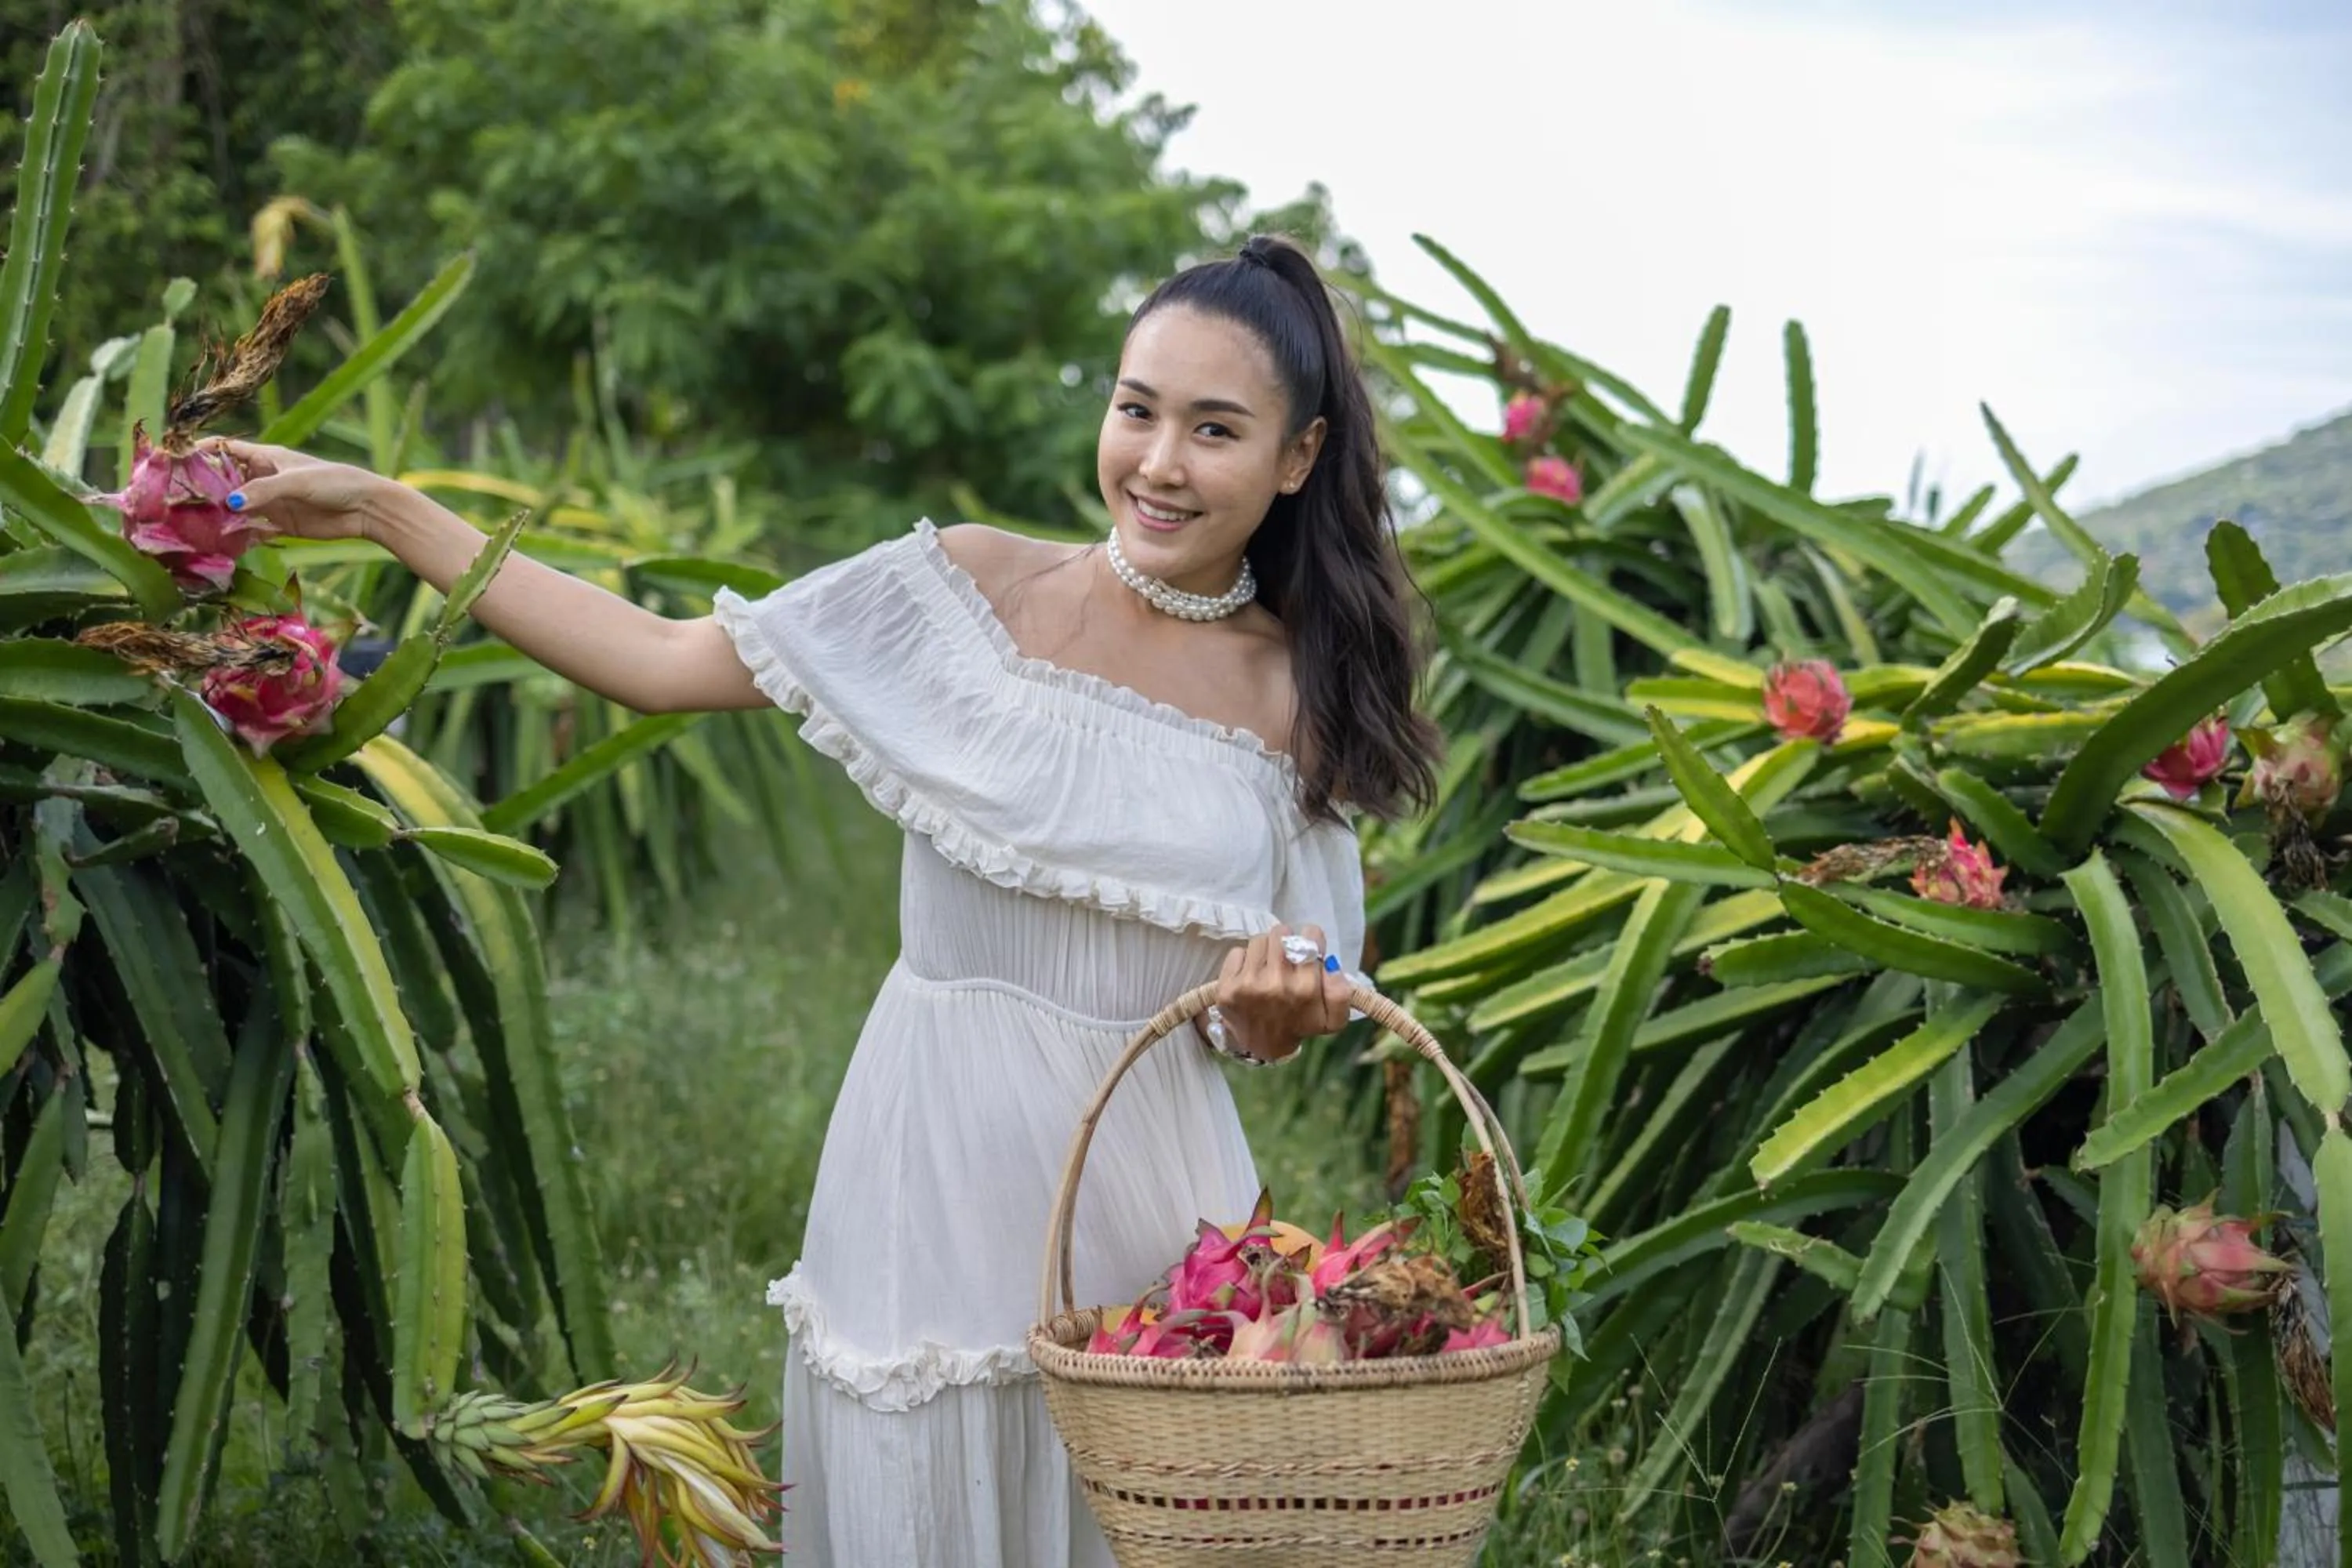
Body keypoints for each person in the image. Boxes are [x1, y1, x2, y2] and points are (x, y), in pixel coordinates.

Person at [211, 233, 1443, 1566]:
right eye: (1136, 409)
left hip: (1157, 1217)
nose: (1157, 461)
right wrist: (389, 509)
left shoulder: (1294, 698)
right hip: (928, 1172)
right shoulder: (972, 593)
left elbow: (1280, 1004)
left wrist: (1276, 1001)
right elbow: (657, 659)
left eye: (1215, 429)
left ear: (1296, 457)